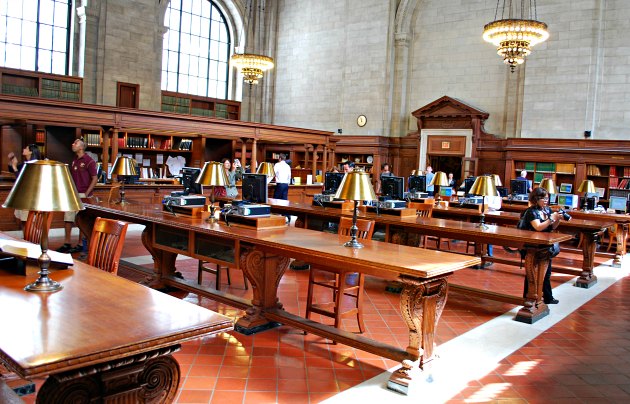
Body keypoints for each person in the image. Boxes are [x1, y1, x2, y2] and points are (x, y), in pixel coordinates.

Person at [520, 187, 561, 305]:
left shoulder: (547, 210)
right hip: (532, 246)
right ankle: (528, 297)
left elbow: (552, 227)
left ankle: (548, 297)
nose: (546, 200)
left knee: (546, 272)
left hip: (545, 245)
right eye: (543, 198)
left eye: (547, 198)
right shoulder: (531, 212)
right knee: (532, 272)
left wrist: (557, 219)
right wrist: (550, 219)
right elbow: (538, 227)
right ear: (536, 199)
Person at [57, 138, 98, 253]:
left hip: (83, 194)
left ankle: (80, 243)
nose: (73, 144)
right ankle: (67, 242)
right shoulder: (74, 160)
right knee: (68, 218)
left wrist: (86, 193)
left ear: (81, 147)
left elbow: (95, 178)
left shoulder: (89, 161)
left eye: (75, 143)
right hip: (73, 193)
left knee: (81, 220)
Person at [9, 144, 42, 225]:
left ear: (31, 152)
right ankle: (25, 237)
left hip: (29, 196)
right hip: (23, 196)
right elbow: (12, 169)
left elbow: (22, 180)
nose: (24, 149)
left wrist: (14, 167)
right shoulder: (26, 163)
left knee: (27, 221)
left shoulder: (34, 164)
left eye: (26, 148)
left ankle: (28, 237)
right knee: (23, 221)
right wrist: (12, 160)